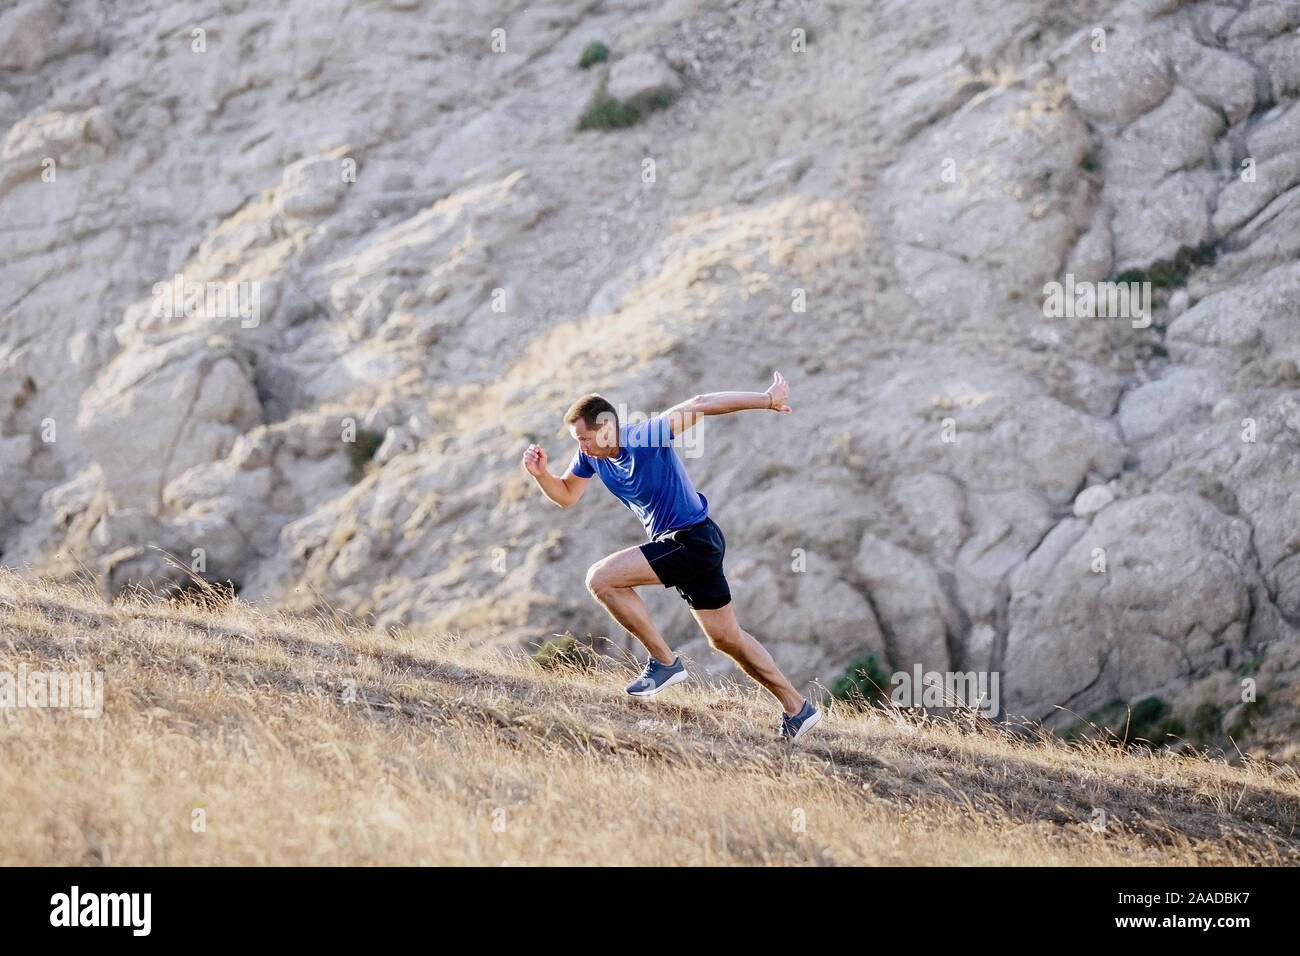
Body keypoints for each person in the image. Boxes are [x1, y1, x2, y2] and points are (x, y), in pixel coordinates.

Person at [521, 371, 822, 742]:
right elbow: (566, 495)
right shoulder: (593, 458)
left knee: (601, 579)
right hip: (689, 543)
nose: (580, 447)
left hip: (692, 539)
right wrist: (540, 475)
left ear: (605, 430)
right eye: (577, 441)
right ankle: (797, 708)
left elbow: (698, 405)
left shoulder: (643, 437)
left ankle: (665, 663)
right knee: (726, 638)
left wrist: (767, 399)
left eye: (583, 438)